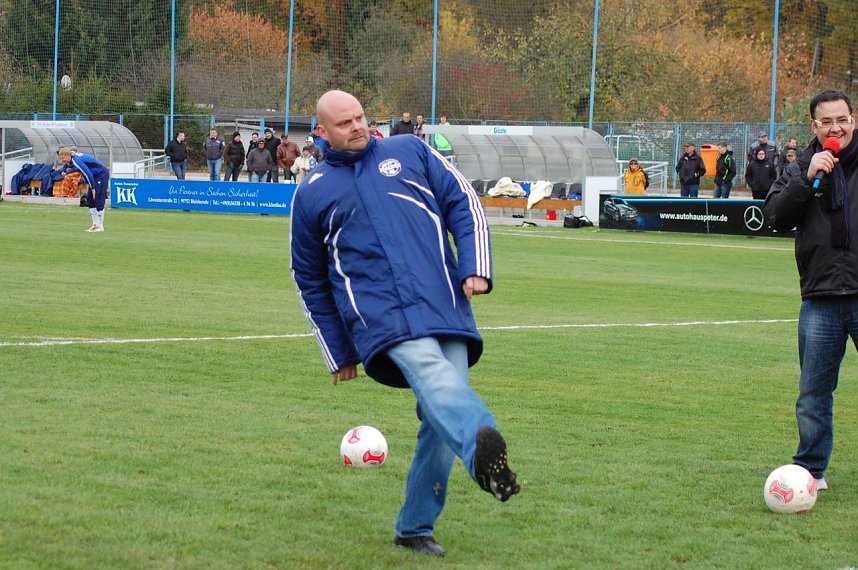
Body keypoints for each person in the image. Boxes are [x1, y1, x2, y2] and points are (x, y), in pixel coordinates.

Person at [290, 90, 520, 557]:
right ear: (322, 132)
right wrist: (339, 351)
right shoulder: (311, 191)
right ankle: (485, 458)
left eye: (360, 117)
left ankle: (414, 526)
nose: (356, 127)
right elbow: (309, 279)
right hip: (379, 318)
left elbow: (463, 202)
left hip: (443, 303)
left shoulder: (409, 150)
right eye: (343, 123)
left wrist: (474, 264)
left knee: (440, 418)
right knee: (438, 383)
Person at [763, 89, 858, 493]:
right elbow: (774, 217)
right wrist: (806, 177)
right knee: (813, 392)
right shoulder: (802, 166)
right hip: (820, 296)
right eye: (826, 122)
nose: (836, 128)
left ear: (854, 120)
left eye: (842, 119)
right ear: (814, 127)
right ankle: (810, 472)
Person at [58, 147, 110, 233]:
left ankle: (100, 226)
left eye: (62, 158)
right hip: (95, 176)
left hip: (101, 174)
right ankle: (95, 224)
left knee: (98, 198)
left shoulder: (76, 160)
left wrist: (93, 188)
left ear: (67, 155)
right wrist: (66, 172)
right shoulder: (72, 160)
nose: (61, 160)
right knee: (89, 198)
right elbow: (68, 166)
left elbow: (88, 174)